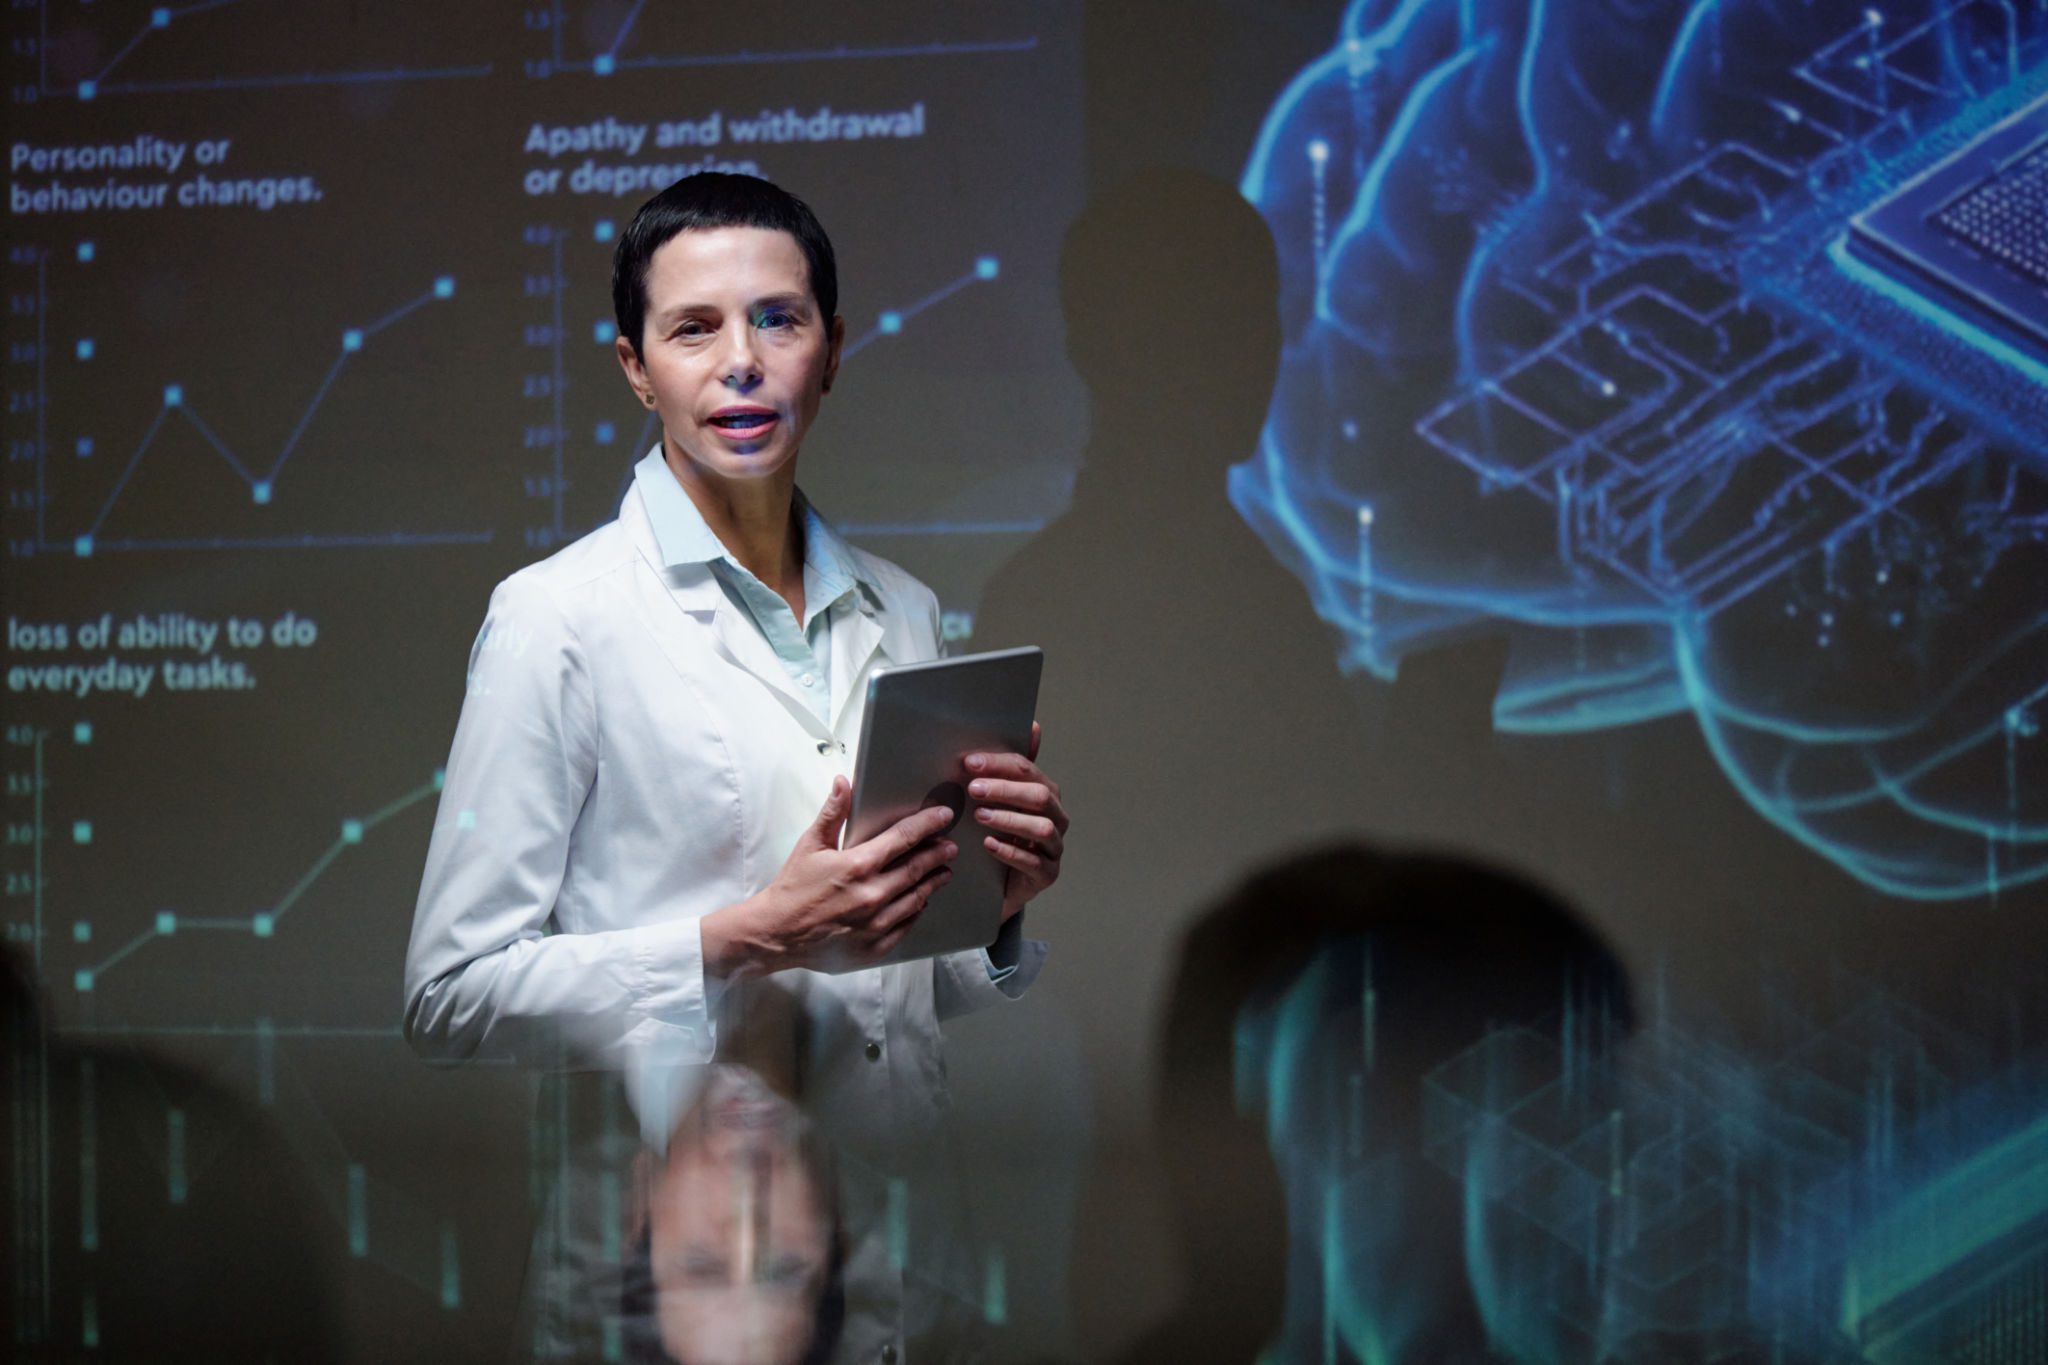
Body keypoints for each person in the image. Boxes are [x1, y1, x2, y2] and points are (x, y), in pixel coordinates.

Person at [403, 172, 1069, 1361]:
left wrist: (991, 911)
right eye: (693, 329)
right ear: (633, 367)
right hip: (676, 1274)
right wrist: (748, 935)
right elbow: (450, 997)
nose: (742, 362)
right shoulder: (556, 618)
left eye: (778, 318)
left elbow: (885, 998)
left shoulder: (901, 609)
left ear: (833, 350)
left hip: (893, 1266)